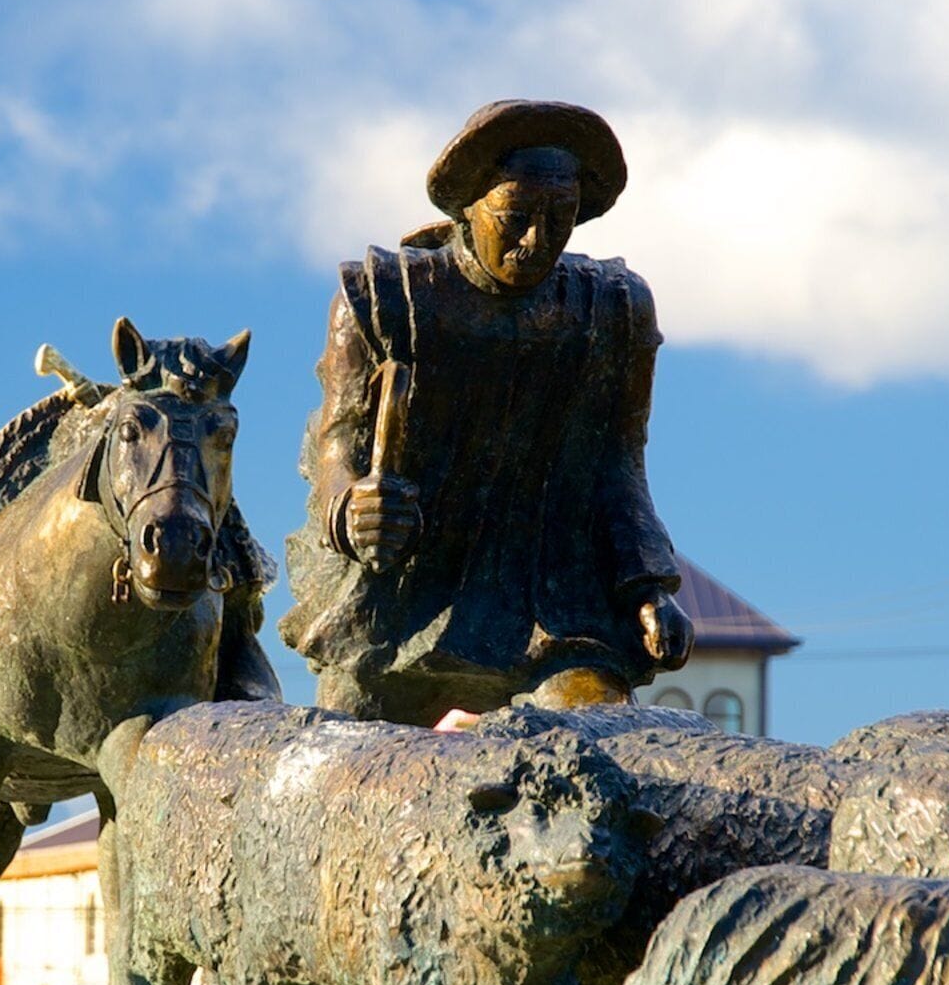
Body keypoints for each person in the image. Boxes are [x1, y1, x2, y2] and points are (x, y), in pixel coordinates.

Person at [278, 98, 691, 723]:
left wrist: (648, 587)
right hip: (400, 603)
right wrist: (349, 510)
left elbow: (619, 467)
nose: (537, 242)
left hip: (555, 605)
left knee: (603, 740)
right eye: (515, 216)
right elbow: (338, 447)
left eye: (561, 219)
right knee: (351, 762)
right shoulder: (387, 299)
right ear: (470, 206)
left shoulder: (611, 311)